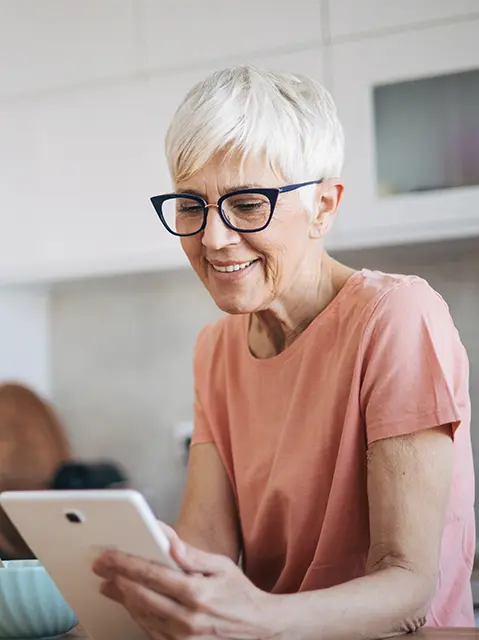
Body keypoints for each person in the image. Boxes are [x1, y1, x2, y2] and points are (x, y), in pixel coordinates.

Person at [93, 65, 475, 639]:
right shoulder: (215, 349)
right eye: (191, 204)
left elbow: (408, 587)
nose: (214, 237)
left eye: (247, 204)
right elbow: (205, 550)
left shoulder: (397, 316)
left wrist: (259, 617)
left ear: (324, 206)